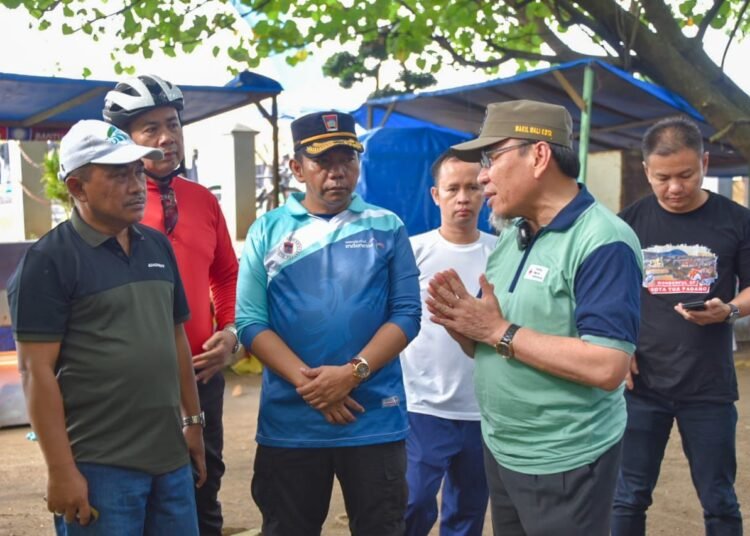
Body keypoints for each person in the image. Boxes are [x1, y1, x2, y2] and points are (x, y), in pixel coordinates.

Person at [426, 100, 643, 536]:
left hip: (568, 458)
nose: (482, 175)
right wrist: (464, 325)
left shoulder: (602, 241)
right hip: (505, 450)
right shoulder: (515, 234)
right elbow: (493, 339)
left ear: (539, 156)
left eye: (492, 159)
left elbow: (607, 365)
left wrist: (497, 330)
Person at [7, 120, 206, 535]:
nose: (136, 185)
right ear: (77, 188)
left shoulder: (156, 245)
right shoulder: (50, 261)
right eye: (119, 175)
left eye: (137, 171)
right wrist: (61, 471)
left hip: (169, 460)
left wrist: (193, 424)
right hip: (99, 468)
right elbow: (35, 372)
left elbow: (175, 341)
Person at [235, 110, 421, 536]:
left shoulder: (387, 226)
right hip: (292, 424)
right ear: (297, 168)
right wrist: (317, 387)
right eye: (324, 162)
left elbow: (407, 315)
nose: (338, 173)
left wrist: (351, 374)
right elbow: (249, 321)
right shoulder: (267, 229)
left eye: (348, 160)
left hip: (373, 419)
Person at [103, 74, 239, 536]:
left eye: (174, 124)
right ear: (125, 138)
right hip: (135, 381)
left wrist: (230, 330)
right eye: (151, 129)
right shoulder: (112, 206)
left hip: (202, 374)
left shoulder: (203, 200)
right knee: (133, 498)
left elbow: (225, 272)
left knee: (204, 486)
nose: (167, 138)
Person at [612, 116, 747, 535]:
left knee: (719, 499)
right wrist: (620, 346)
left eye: (686, 175)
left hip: (709, 386)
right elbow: (607, 297)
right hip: (641, 386)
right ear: (647, 170)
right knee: (628, 496)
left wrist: (730, 310)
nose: (674, 188)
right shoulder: (626, 224)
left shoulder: (737, 220)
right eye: (662, 177)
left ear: (705, 163)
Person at [400, 150, 492, 536]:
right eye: (453, 188)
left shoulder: (502, 252)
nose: (463, 198)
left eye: (473, 187)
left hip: (483, 409)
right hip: (422, 405)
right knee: (413, 503)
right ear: (436, 195)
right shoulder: (411, 251)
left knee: (468, 511)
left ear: (485, 193)